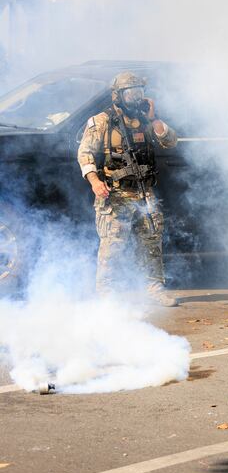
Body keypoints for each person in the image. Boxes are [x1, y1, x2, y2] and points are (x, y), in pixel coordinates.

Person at [77, 71, 179, 307]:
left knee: (152, 242)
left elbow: (170, 141)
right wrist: (94, 181)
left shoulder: (146, 120)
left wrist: (154, 118)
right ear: (117, 95)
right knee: (112, 246)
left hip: (144, 193)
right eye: (130, 93)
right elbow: (85, 154)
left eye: (139, 92)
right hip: (115, 195)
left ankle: (154, 287)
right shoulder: (101, 121)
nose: (135, 98)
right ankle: (106, 293)